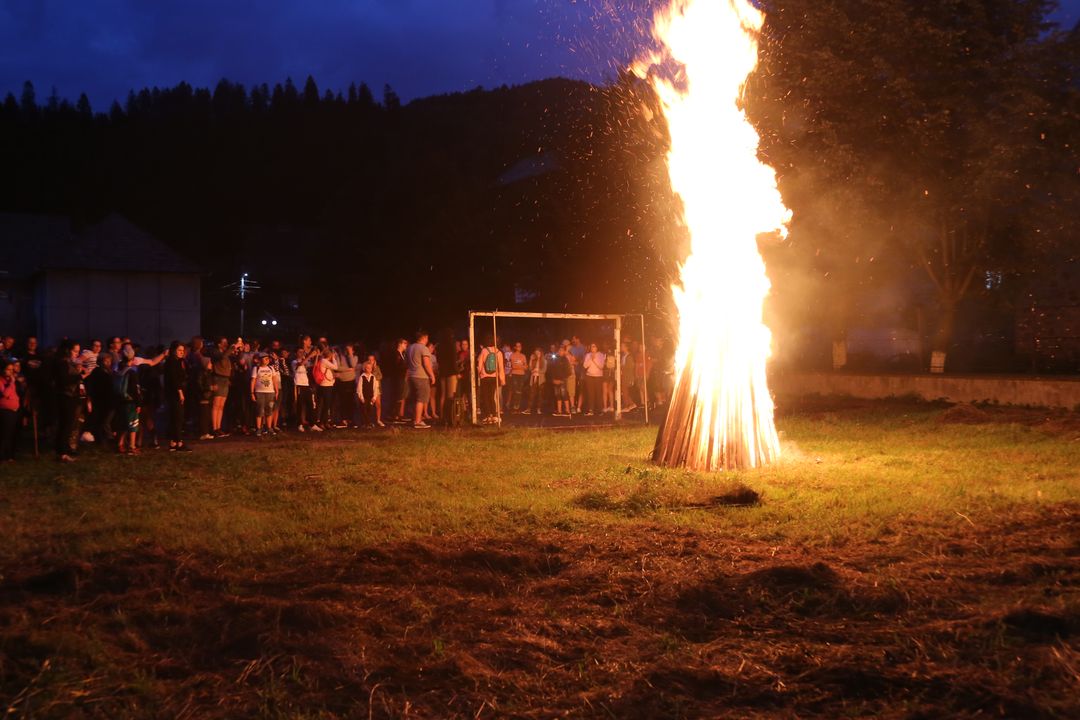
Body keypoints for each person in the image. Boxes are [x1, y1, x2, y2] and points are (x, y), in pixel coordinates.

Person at [54, 340, 85, 462]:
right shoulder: (62, 363)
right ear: (67, 350)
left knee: (68, 424)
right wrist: (80, 376)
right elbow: (64, 380)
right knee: (66, 424)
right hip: (65, 396)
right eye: (75, 351)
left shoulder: (69, 363)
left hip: (71, 396)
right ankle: (62, 452)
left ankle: (63, 449)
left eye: (78, 351)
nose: (77, 354)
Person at [163, 341, 191, 451]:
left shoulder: (177, 361)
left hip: (174, 392)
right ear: (174, 350)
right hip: (174, 393)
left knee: (175, 417)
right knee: (178, 417)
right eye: (179, 350)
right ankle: (179, 442)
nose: (181, 352)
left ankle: (174, 442)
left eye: (183, 350)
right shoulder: (172, 362)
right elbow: (174, 379)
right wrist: (180, 392)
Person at [113, 346, 142, 454]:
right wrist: (138, 403)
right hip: (130, 401)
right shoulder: (131, 372)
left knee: (124, 423)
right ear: (132, 358)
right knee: (133, 424)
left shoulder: (119, 370)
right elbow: (135, 390)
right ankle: (132, 446)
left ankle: (120, 444)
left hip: (120, 400)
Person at [406, 331, 435, 429]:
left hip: (411, 376)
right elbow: (426, 364)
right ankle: (418, 421)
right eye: (427, 338)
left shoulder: (409, 348)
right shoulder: (423, 348)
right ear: (424, 337)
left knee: (415, 398)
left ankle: (415, 418)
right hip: (421, 376)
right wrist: (432, 375)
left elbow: (406, 363)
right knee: (421, 399)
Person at [209, 337, 234, 437]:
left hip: (225, 379)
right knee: (216, 404)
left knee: (221, 405)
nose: (226, 344)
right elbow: (222, 357)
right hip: (218, 378)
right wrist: (231, 348)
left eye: (226, 342)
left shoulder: (225, 353)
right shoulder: (215, 352)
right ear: (219, 344)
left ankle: (218, 427)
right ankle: (214, 428)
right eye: (224, 342)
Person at [250, 352, 280, 436]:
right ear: (260, 360)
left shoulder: (271, 368)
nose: (267, 360)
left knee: (269, 410)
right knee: (259, 410)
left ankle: (269, 428)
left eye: (268, 358)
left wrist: (276, 390)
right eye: (265, 358)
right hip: (259, 392)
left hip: (270, 392)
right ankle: (259, 428)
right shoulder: (256, 368)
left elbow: (274, 379)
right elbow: (253, 381)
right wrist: (252, 393)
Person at [477, 338, 504, 424]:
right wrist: (502, 379)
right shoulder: (498, 352)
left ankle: (488, 415)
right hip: (494, 377)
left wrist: (480, 374)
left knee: (485, 396)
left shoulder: (484, 351)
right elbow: (501, 367)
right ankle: (494, 415)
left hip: (485, 377)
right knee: (492, 396)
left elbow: (480, 364)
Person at [314, 344, 338, 430]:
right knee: (326, 405)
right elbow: (336, 367)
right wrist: (334, 358)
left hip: (327, 385)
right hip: (326, 386)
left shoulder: (324, 361)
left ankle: (324, 422)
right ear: (330, 355)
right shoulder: (324, 361)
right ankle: (322, 423)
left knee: (325, 405)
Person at [292, 348, 317, 432]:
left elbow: (313, 365)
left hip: (306, 385)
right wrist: (310, 356)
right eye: (300, 352)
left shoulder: (305, 361)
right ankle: (299, 424)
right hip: (298, 385)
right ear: (296, 353)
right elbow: (300, 364)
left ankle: (312, 424)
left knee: (310, 404)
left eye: (303, 352)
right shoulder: (294, 362)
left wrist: (316, 356)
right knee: (300, 405)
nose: (302, 353)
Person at [335, 344, 359, 427]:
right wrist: (348, 369)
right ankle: (343, 420)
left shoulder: (355, 357)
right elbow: (337, 367)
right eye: (347, 349)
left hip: (351, 381)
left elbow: (353, 365)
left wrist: (350, 354)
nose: (348, 350)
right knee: (343, 401)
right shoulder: (339, 356)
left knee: (351, 401)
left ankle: (350, 419)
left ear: (353, 350)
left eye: (350, 349)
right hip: (342, 381)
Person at [0, 360, 20, 461]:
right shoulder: (1, 381)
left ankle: (10, 454)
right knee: (5, 434)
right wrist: (11, 383)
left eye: (12, 370)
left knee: (11, 433)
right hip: (5, 411)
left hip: (14, 410)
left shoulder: (11, 381)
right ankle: (3, 455)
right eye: (8, 369)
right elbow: (5, 394)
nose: (10, 371)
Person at [356, 360, 381, 428]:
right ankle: (365, 423)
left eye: (370, 368)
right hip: (364, 397)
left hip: (371, 397)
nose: (369, 369)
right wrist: (361, 397)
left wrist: (374, 397)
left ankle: (369, 422)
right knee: (364, 409)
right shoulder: (362, 377)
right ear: (365, 368)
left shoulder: (373, 377)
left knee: (370, 410)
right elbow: (359, 388)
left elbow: (375, 388)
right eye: (367, 368)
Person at [583, 343, 605, 416]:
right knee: (590, 393)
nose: (592, 348)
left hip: (598, 377)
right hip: (589, 376)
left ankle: (600, 410)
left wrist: (594, 359)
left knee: (598, 393)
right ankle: (591, 410)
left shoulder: (601, 355)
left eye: (594, 346)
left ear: (597, 347)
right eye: (591, 346)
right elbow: (585, 366)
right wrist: (590, 359)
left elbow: (601, 366)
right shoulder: (588, 355)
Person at [550, 346, 572, 417]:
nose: (560, 352)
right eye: (559, 350)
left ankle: (567, 411)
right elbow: (551, 370)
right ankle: (559, 411)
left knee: (564, 394)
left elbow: (569, 371)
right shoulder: (554, 359)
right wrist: (553, 379)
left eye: (562, 350)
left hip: (563, 380)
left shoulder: (565, 360)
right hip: (555, 380)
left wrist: (562, 380)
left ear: (564, 351)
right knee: (557, 395)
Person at [389, 339, 408, 422]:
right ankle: (394, 415)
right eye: (405, 343)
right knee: (397, 395)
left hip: (401, 377)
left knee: (400, 395)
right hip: (397, 378)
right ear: (400, 344)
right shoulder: (396, 354)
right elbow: (396, 366)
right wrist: (405, 367)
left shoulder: (402, 354)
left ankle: (397, 414)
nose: (406, 345)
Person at [524, 347, 546, 415]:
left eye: (538, 353)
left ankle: (538, 409)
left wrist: (537, 371)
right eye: (536, 353)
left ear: (541, 353)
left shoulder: (544, 361)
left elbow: (544, 370)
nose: (537, 354)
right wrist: (531, 360)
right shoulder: (533, 360)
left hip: (540, 379)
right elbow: (530, 369)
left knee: (540, 394)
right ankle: (529, 408)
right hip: (533, 378)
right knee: (532, 393)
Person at [364, 354, 385, 427]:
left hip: (377, 389)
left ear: (374, 361)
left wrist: (375, 368)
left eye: (372, 360)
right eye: (369, 359)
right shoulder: (366, 368)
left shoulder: (377, 367)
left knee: (378, 405)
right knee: (369, 405)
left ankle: (378, 420)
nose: (370, 361)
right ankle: (369, 421)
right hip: (369, 390)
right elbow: (370, 377)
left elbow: (380, 376)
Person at [508, 342, 528, 412]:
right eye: (517, 346)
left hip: (521, 374)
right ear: (515, 347)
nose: (519, 347)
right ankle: (514, 406)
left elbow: (526, 367)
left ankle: (518, 406)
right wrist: (520, 366)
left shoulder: (523, 356)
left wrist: (520, 366)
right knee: (515, 390)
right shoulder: (512, 355)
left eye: (520, 346)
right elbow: (513, 366)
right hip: (514, 374)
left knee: (520, 390)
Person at [620, 340, 638, 412]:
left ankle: (628, 406)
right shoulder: (623, 356)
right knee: (624, 391)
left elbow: (631, 367)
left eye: (622, 346)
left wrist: (622, 367)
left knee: (625, 391)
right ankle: (630, 404)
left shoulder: (629, 357)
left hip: (627, 377)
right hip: (623, 376)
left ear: (626, 347)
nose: (621, 347)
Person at [602, 343, 617, 413]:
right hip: (612, 375)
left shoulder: (605, 355)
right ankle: (611, 406)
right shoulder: (615, 356)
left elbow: (603, 365)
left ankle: (605, 407)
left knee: (605, 391)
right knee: (610, 390)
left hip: (606, 374)